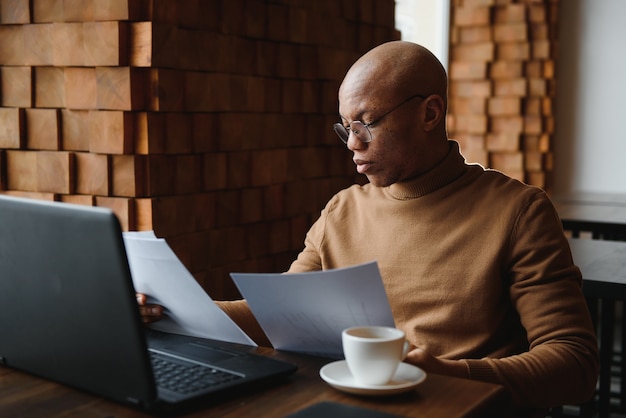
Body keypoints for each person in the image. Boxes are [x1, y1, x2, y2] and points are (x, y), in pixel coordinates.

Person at [139, 41, 599, 414]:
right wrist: (167, 311)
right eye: (345, 129)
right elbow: (277, 313)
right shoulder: (342, 211)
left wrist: (450, 373)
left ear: (430, 113)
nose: (353, 145)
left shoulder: (519, 212)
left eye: (366, 123)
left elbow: (575, 365)